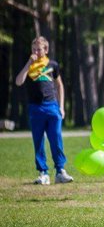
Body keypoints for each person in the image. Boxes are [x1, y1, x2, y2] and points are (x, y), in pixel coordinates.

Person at [15, 36, 73, 185]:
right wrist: (29, 63)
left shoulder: (52, 64)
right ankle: (43, 173)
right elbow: (18, 81)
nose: (36, 52)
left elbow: (59, 85)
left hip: (52, 106)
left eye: (39, 49)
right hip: (35, 108)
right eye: (33, 49)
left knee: (56, 138)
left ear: (46, 50)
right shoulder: (29, 67)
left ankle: (60, 171)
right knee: (38, 140)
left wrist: (61, 106)